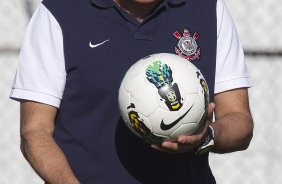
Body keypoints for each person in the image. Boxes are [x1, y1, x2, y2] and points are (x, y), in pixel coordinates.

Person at [10, 0, 253, 183]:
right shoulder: (59, 12)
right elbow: (35, 131)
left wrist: (207, 136)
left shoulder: (208, 9)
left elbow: (240, 121)